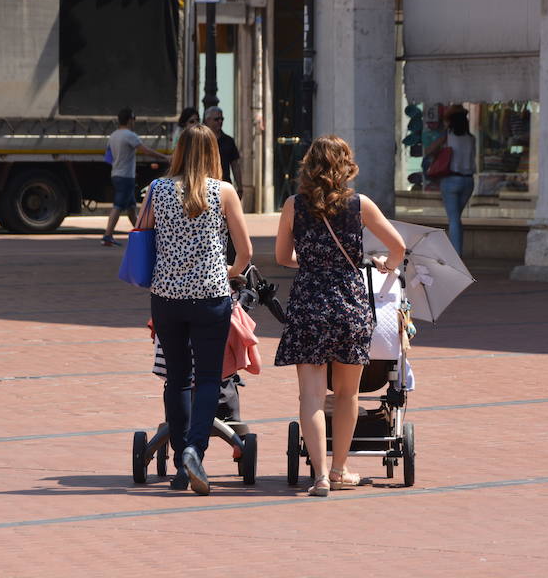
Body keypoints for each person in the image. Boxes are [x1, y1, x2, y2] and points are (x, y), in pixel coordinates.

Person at [274, 135, 405, 497]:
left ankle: (317, 476)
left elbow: (284, 257)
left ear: (309, 165)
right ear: (345, 165)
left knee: (311, 397)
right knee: (348, 394)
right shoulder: (359, 204)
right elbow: (398, 248)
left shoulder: (293, 205)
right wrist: (383, 264)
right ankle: (339, 469)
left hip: (309, 303)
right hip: (349, 302)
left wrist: (314, 262)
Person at [139, 123, 252, 495]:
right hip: (210, 295)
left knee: (176, 379)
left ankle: (179, 466)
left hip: (167, 296)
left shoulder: (157, 190)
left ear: (179, 151)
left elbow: (142, 234)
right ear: (213, 153)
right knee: (208, 379)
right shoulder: (224, 192)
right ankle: (194, 450)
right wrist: (230, 273)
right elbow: (245, 251)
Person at [102, 108, 170, 246]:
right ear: (129, 120)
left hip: (116, 173)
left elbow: (108, 157)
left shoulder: (113, 135)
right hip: (126, 176)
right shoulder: (129, 135)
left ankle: (141, 233)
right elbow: (145, 150)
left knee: (131, 207)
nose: (134, 122)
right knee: (119, 205)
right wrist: (164, 157)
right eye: (133, 119)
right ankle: (107, 235)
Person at [427, 104, 476, 255]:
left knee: (454, 220)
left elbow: (428, 151)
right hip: (468, 181)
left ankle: (455, 254)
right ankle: (455, 251)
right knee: (456, 219)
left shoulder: (447, 136)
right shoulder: (471, 138)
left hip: (450, 180)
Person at [203, 106, 242, 198]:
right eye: (216, 119)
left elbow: (235, 164)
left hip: (224, 185)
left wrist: (240, 187)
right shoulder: (201, 140)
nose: (220, 121)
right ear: (207, 120)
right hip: (205, 186)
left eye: (222, 119)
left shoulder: (229, 141)